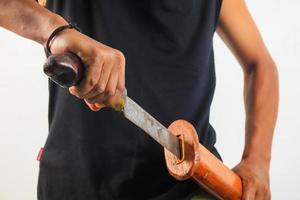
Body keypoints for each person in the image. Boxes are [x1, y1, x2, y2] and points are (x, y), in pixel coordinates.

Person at [0, 0, 278, 199]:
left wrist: (258, 161)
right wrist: (57, 30)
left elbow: (259, 63)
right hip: (75, 186)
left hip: (192, 187)